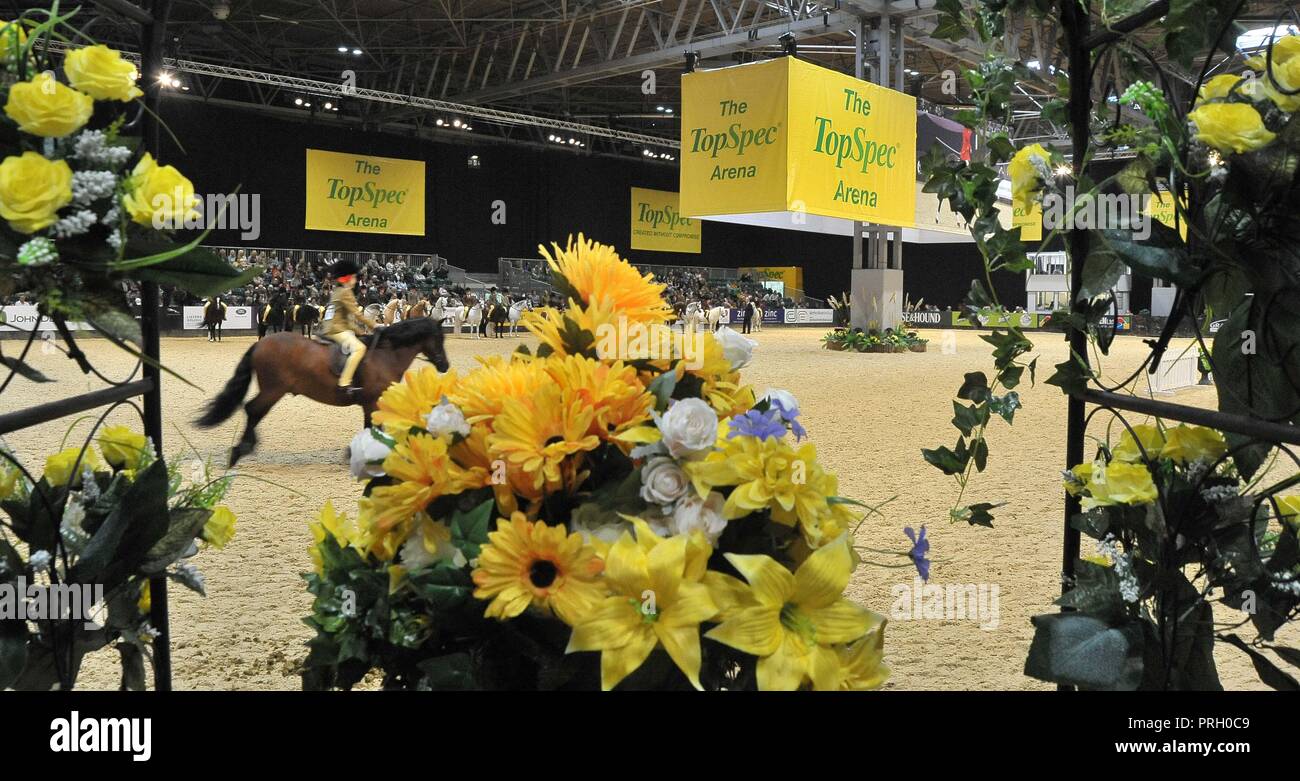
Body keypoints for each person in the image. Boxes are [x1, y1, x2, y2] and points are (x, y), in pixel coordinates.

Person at [321, 259, 378, 397]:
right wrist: (375, 325)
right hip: (336, 329)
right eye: (354, 277)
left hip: (332, 326)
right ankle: (344, 384)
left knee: (361, 340)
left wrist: (361, 332)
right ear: (347, 278)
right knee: (360, 348)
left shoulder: (337, 290)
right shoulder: (346, 292)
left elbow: (347, 320)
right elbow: (357, 314)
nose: (356, 280)